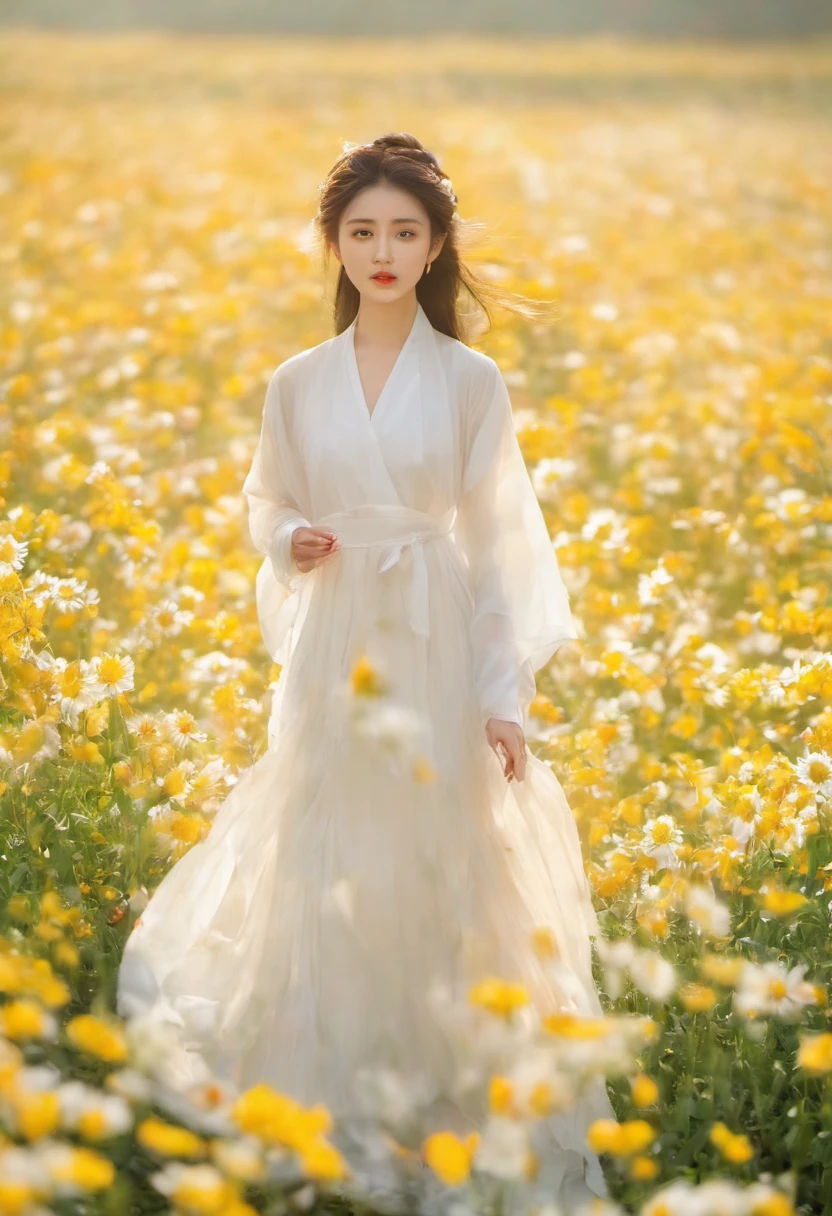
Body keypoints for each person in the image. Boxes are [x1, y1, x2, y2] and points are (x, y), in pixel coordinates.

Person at [117, 132, 616, 1209]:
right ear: (333, 246)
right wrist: (287, 534)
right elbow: (266, 497)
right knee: (328, 833)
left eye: (403, 231)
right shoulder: (296, 381)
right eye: (361, 232)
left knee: (436, 840)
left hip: (430, 627)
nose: (381, 250)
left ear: (434, 245)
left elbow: (499, 548)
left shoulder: (472, 381)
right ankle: (322, 1078)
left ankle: (439, 1079)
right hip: (338, 634)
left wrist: (502, 699)